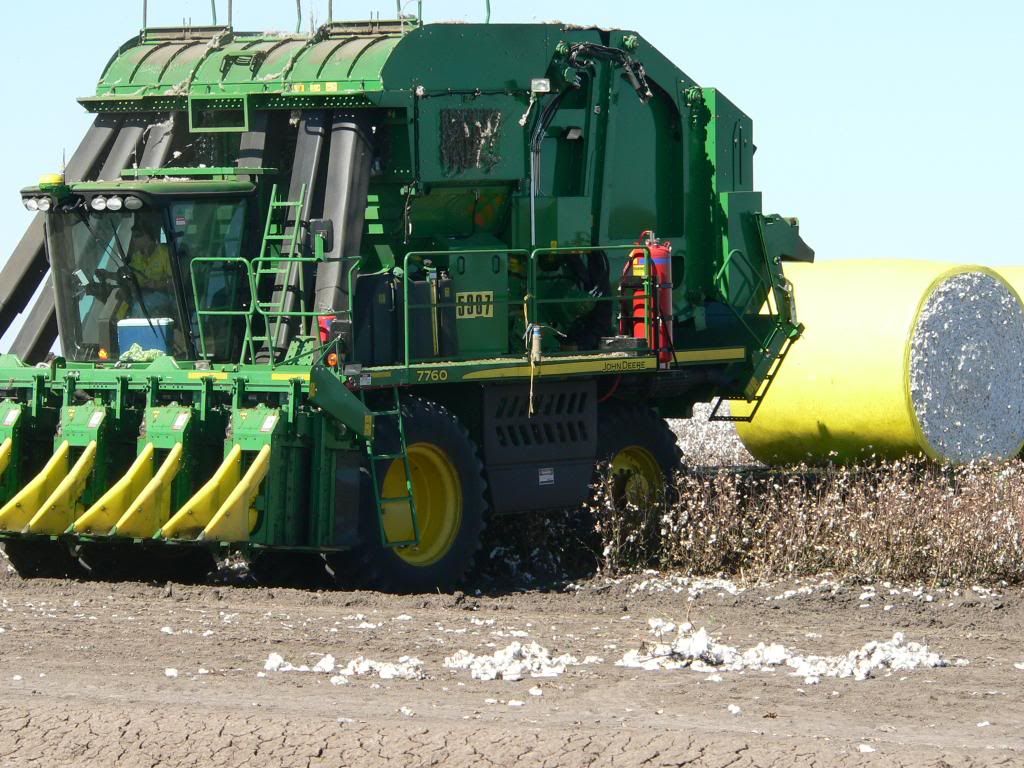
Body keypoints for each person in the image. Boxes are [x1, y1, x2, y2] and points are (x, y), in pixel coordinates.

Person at [126, 216, 175, 318]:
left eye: (138, 236)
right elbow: (129, 275)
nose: (134, 239)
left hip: (162, 295)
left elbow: (175, 283)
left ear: (148, 236)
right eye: (133, 236)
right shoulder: (136, 257)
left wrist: (157, 284)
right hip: (140, 294)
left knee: (138, 308)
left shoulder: (164, 253)